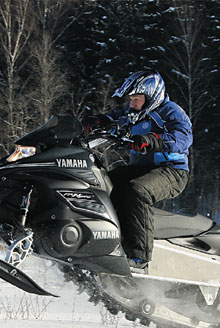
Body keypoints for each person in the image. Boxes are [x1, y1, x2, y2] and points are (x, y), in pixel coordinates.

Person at [82, 70, 193, 270]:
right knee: (102, 181)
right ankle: (109, 241)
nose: (131, 104)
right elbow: (116, 117)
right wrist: (100, 121)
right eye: (131, 99)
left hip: (172, 172)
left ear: (152, 97)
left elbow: (182, 138)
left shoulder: (171, 112)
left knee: (137, 191)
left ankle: (139, 257)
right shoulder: (133, 113)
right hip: (141, 169)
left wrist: (152, 140)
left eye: (136, 99)